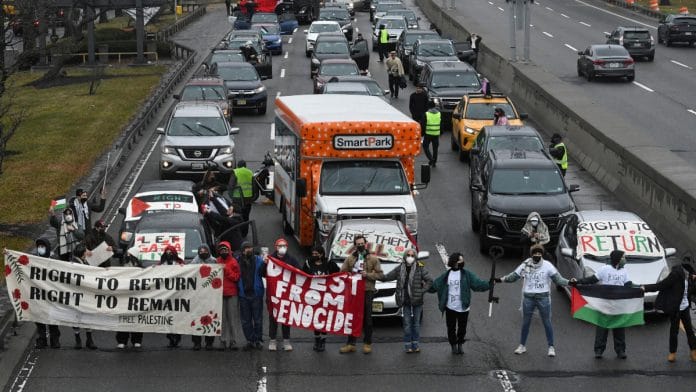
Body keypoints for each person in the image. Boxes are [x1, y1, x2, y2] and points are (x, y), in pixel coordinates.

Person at [495, 244, 571, 357]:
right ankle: (522, 346)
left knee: (547, 322)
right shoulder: (526, 264)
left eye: (539, 253)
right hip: (528, 298)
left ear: (542, 254)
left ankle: (551, 347)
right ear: (531, 255)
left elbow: (558, 280)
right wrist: (500, 280)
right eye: (535, 253)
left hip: (543, 298)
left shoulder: (548, 265)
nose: (537, 255)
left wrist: (570, 283)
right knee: (526, 322)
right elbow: (514, 276)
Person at [569, 250, 632, 359]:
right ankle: (599, 350)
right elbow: (592, 280)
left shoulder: (624, 272)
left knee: (619, 328)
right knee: (602, 328)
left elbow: (628, 285)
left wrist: (639, 288)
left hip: (618, 304)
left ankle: (620, 350)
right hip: (605, 304)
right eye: (623, 257)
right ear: (618, 259)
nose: (625, 260)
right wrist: (578, 282)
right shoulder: (605, 269)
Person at [429, 252, 490, 354]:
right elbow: (435, 286)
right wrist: (423, 285)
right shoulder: (446, 275)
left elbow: (477, 284)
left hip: (463, 307)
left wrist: (489, 284)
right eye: (460, 260)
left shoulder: (467, 274)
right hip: (450, 307)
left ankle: (460, 343)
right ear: (455, 262)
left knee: (462, 328)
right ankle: (453, 345)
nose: (463, 261)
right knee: (451, 328)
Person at [380, 248, 433, 353]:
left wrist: (422, 291)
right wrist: (373, 275)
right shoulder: (400, 268)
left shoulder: (420, 268)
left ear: (415, 257)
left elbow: (430, 280)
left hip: (417, 301)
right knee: (407, 325)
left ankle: (416, 344)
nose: (410, 257)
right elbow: (386, 277)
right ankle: (408, 345)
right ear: (405, 256)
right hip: (405, 300)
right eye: (408, 255)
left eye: (412, 256)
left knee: (416, 325)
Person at [642, 262, 696, 363]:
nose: (690, 275)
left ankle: (693, 352)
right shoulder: (675, 276)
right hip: (675, 309)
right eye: (688, 274)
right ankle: (672, 353)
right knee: (674, 331)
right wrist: (645, 288)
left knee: (690, 331)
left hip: (685, 308)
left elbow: (691, 291)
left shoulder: (689, 277)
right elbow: (661, 285)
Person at [339, 235, 383, 354]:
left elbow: (381, 275)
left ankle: (367, 343)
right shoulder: (350, 259)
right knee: (352, 318)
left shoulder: (373, 259)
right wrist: (350, 274)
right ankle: (351, 343)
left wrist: (368, 275)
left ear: (366, 243)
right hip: (353, 292)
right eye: (357, 244)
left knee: (367, 319)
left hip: (367, 291)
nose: (360, 246)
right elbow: (342, 273)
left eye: (362, 243)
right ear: (355, 245)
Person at [302, 245, 340, 352]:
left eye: (316, 254)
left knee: (324, 319)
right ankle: (317, 340)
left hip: (326, 297)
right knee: (316, 319)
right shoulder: (308, 264)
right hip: (313, 296)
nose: (314, 256)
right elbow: (301, 276)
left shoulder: (329, 264)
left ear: (321, 254)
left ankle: (323, 341)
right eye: (312, 254)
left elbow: (340, 274)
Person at [267, 237, 300, 351]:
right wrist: (264, 263)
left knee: (285, 317)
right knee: (273, 318)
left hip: (286, 293)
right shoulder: (270, 259)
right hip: (273, 294)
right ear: (276, 248)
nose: (282, 248)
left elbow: (299, 272)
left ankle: (286, 341)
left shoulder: (291, 259)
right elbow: (262, 273)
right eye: (280, 246)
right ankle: (272, 341)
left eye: (284, 246)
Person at [32, 237, 61, 349]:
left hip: (51, 294)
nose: (40, 249)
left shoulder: (54, 260)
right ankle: (42, 339)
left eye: (43, 247)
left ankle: (55, 339)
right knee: (39, 318)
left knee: (52, 317)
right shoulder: (34, 260)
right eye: (39, 247)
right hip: (38, 293)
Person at [236, 242, 265, 351]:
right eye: (246, 248)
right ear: (242, 250)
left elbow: (265, 273)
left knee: (258, 319)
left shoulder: (259, 260)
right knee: (245, 320)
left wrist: (266, 263)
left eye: (250, 248)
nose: (249, 250)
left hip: (256, 294)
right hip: (243, 295)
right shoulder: (237, 261)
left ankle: (258, 340)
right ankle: (250, 340)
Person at [190, 245, 219, 350]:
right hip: (198, 296)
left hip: (211, 295)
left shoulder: (215, 262)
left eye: (205, 250)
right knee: (197, 318)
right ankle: (196, 342)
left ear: (209, 251)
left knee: (210, 318)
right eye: (200, 251)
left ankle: (209, 342)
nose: (203, 252)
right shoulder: (193, 263)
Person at [70, 244, 97, 350]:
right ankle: (78, 339)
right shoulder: (74, 264)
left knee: (88, 315)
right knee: (76, 316)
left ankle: (89, 339)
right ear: (82, 253)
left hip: (86, 294)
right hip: (77, 294)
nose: (88, 252)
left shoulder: (84, 261)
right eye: (86, 250)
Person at [216, 241, 241, 351]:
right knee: (222, 319)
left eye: (225, 250)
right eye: (221, 250)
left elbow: (236, 277)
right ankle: (223, 340)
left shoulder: (234, 262)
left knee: (232, 318)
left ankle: (233, 340)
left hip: (231, 294)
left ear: (229, 250)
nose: (223, 252)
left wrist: (227, 270)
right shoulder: (216, 261)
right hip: (220, 294)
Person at [159, 246, 185, 348]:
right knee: (168, 317)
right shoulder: (161, 265)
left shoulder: (180, 265)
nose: (169, 254)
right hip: (166, 296)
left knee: (177, 318)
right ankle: (170, 337)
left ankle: (177, 337)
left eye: (171, 253)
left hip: (178, 296)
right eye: (167, 252)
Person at [228, 160, 254, 237]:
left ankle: (238, 233)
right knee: (246, 217)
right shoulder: (250, 172)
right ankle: (244, 233)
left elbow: (231, 186)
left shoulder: (236, 172)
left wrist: (231, 196)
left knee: (237, 216)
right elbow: (254, 186)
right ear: (245, 166)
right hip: (248, 199)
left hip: (237, 199)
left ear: (238, 166)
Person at [423, 100, 441, 167]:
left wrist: (422, 133)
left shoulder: (426, 114)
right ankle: (434, 162)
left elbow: (423, 124)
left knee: (425, 147)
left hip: (428, 134)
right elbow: (441, 123)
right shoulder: (439, 113)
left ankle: (431, 159)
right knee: (435, 149)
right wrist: (440, 132)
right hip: (436, 134)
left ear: (428, 106)